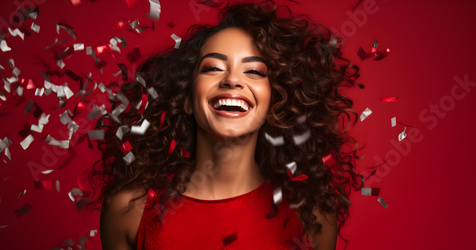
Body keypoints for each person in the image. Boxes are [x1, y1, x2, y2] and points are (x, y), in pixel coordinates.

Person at [91, 1, 363, 249]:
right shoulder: (129, 209)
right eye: (212, 68)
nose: (232, 80)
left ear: (276, 102)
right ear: (185, 98)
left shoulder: (311, 213)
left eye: (254, 71)